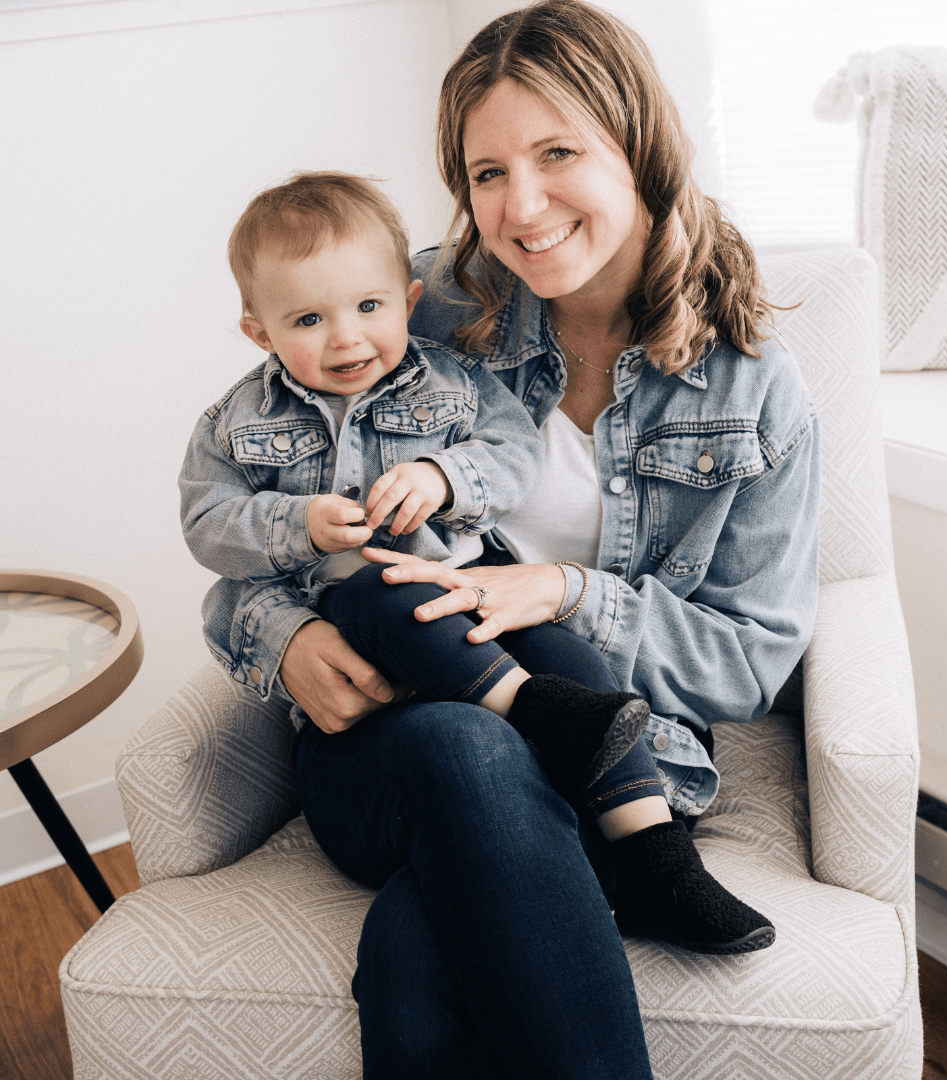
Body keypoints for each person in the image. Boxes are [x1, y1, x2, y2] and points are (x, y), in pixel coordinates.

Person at [201, 3, 820, 1076]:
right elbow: (258, 532)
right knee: (458, 741)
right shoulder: (408, 310)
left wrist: (566, 593)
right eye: (487, 172)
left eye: (558, 154)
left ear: (640, 147)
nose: (520, 208)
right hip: (382, 736)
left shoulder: (751, 387)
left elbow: (751, 661)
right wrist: (281, 641)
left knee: (425, 923)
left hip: (612, 760)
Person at [180, 169, 656, 807]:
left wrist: (445, 476)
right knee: (384, 590)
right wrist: (298, 524)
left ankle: (652, 840)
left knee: (574, 661)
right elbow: (208, 525)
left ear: (408, 301)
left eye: (369, 307)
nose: (346, 336)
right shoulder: (233, 425)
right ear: (261, 332)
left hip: (470, 598)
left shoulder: (452, 382)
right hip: (358, 633)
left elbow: (516, 452)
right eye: (309, 319)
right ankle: (536, 716)